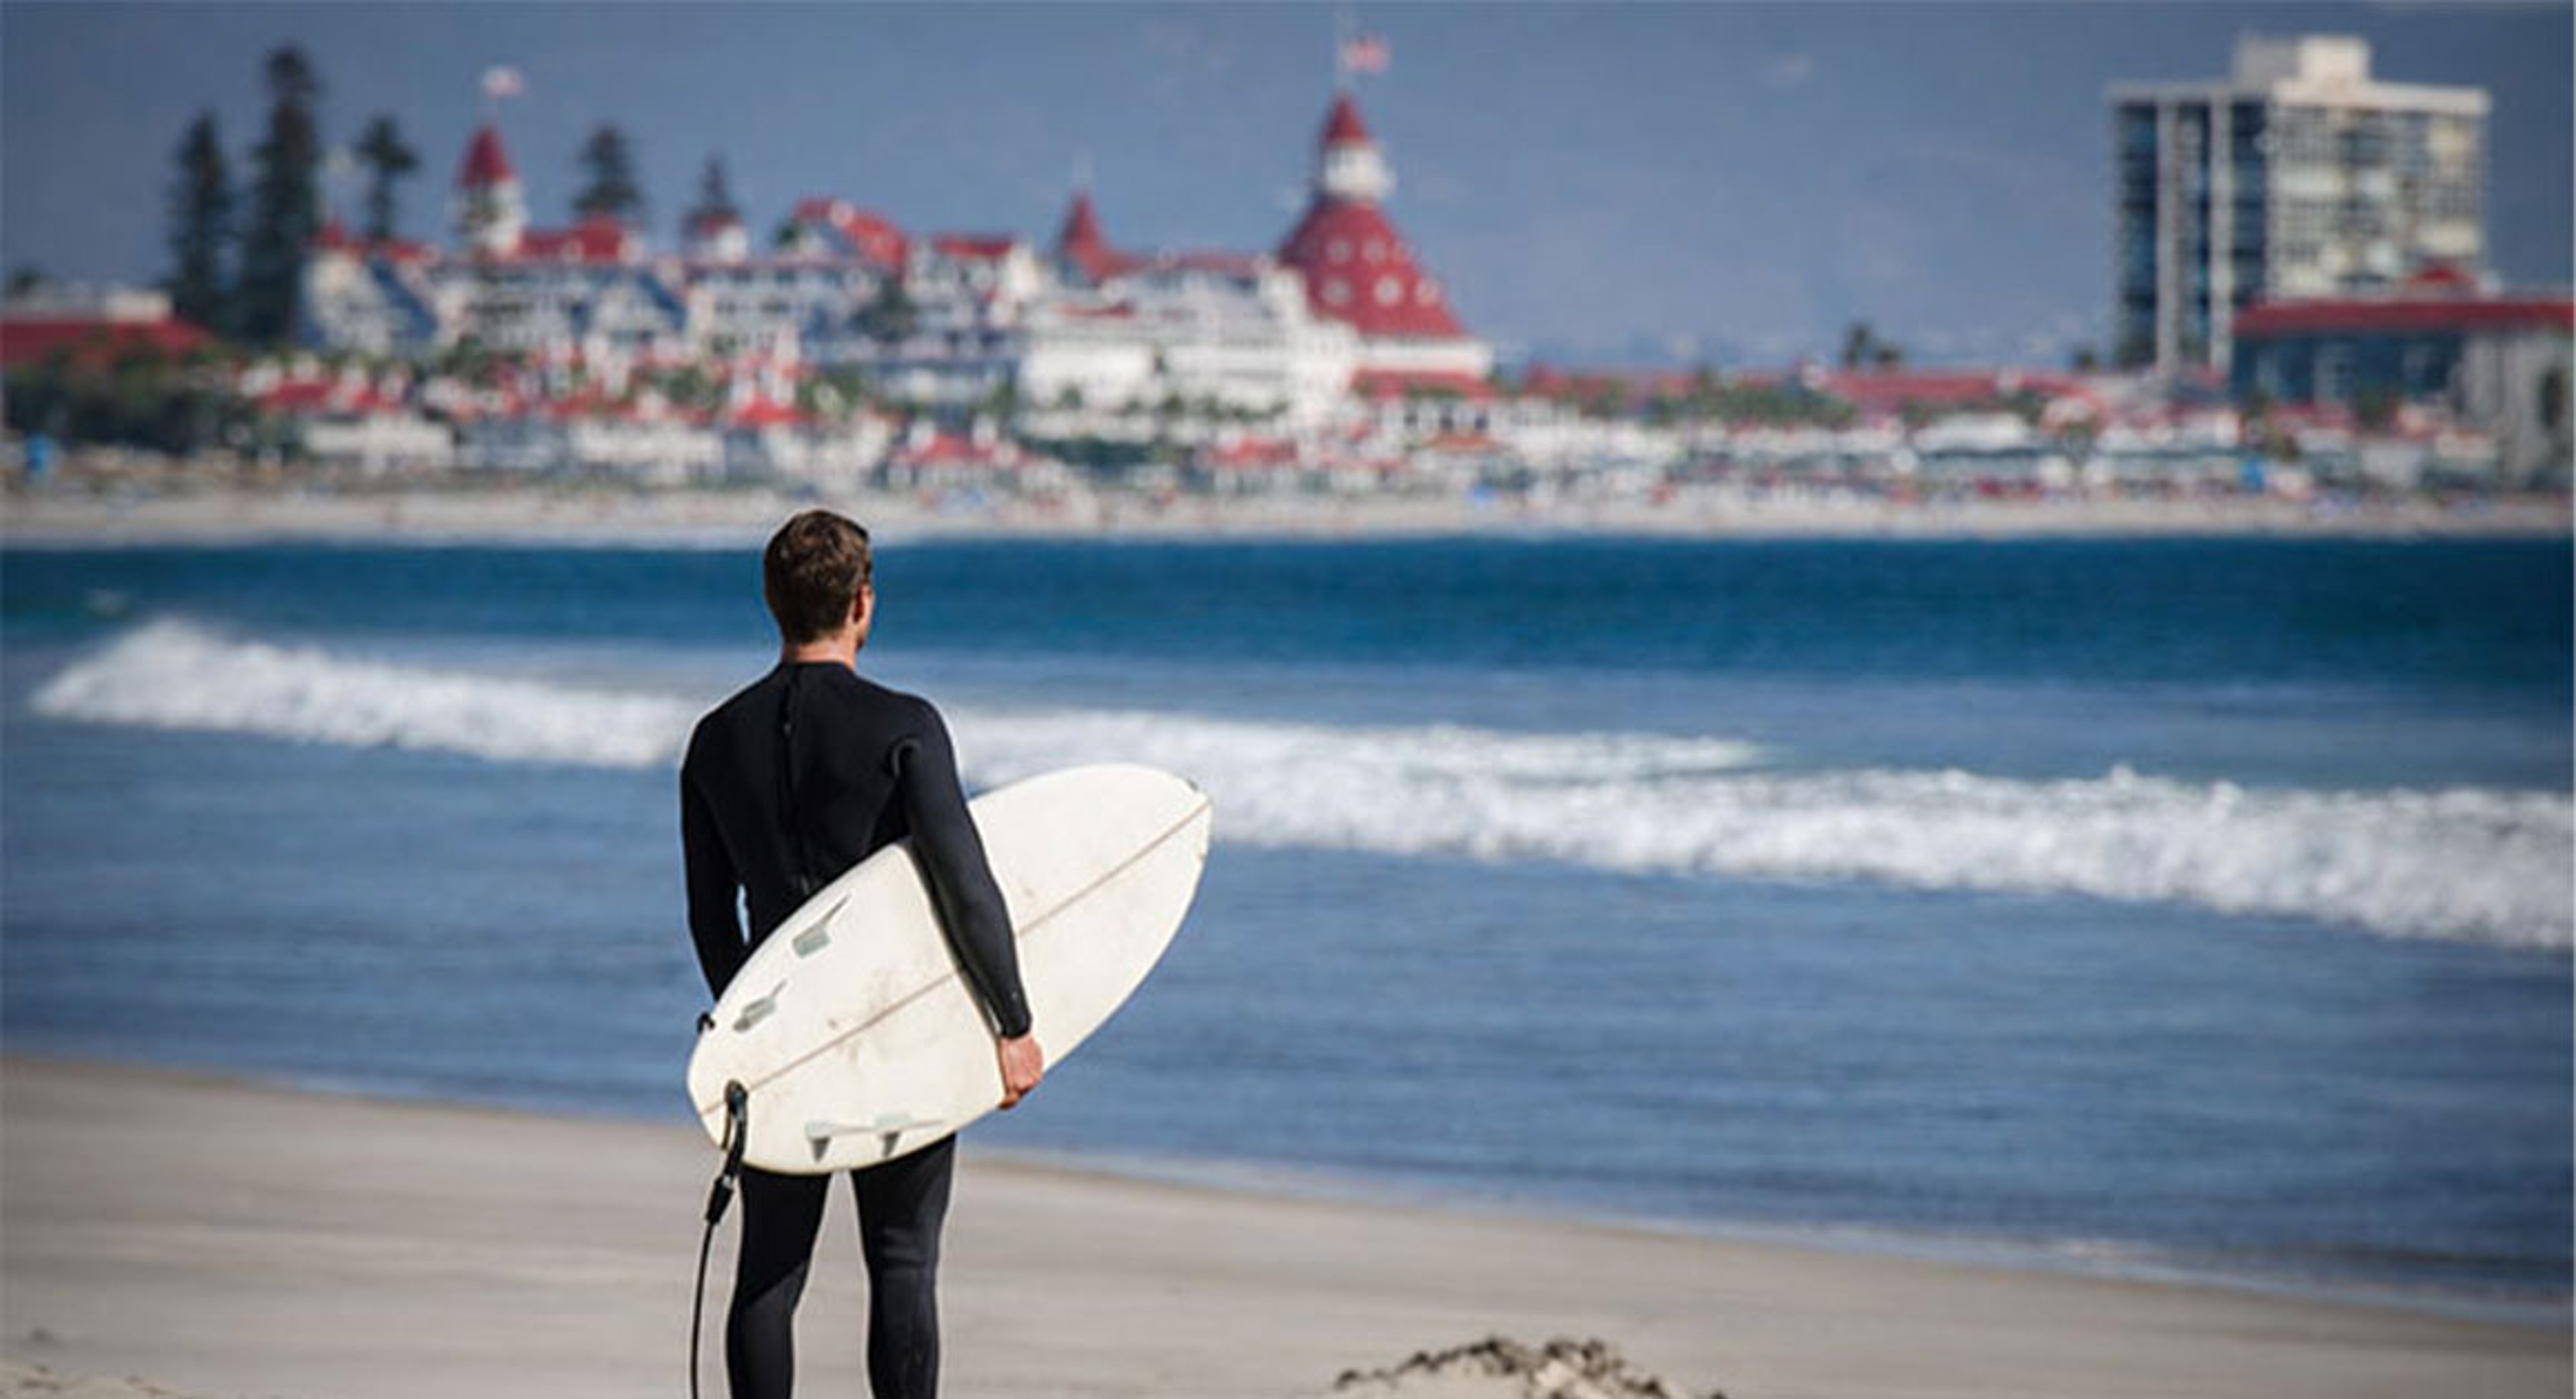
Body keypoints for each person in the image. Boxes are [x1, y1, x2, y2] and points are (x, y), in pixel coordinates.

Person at [681, 509, 1044, 1399]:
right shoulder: (905, 727)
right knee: (903, 1259)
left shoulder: (714, 740)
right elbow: (968, 884)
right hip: (899, 1026)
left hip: (781, 1040)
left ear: (773, 604)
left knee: (770, 1271)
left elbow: (708, 913)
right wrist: (1014, 1021)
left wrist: (751, 1029)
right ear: (862, 604)